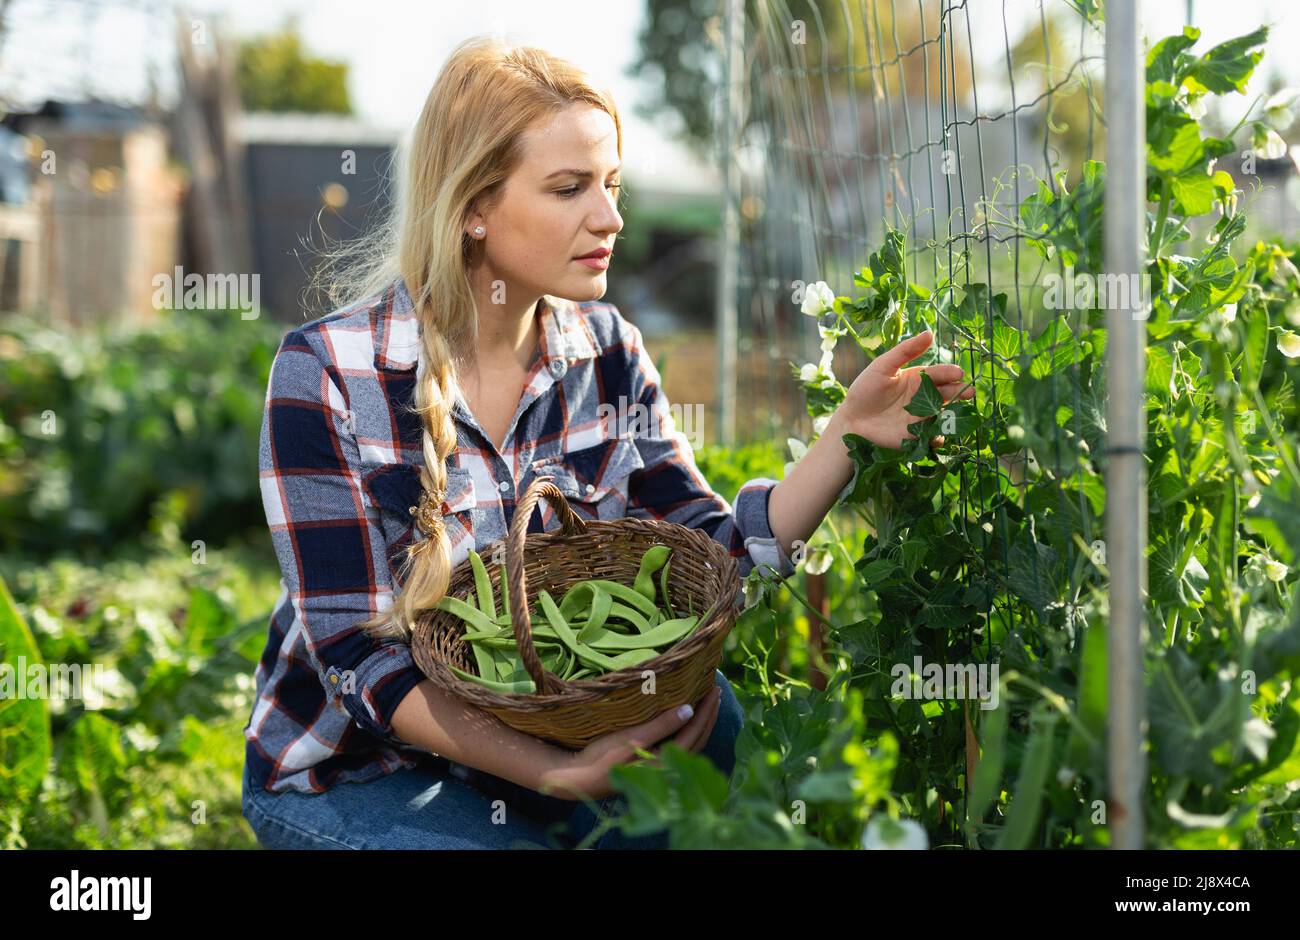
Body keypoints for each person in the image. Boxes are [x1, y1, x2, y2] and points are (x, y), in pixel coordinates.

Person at [241, 35, 974, 850]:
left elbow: (705, 555)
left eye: (612, 184)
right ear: (473, 208)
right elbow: (352, 658)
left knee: (716, 722)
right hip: (361, 771)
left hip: (560, 727)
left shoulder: (607, 349)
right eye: (569, 188)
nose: (612, 218)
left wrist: (847, 435)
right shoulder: (328, 373)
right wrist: (552, 772)